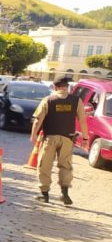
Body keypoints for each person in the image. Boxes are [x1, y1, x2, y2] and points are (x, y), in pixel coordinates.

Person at [30, 76, 89, 205]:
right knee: (65, 165)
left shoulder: (48, 100)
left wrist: (33, 135)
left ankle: (44, 194)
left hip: (50, 138)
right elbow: (83, 121)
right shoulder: (76, 101)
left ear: (55, 87)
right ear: (67, 87)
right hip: (68, 138)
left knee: (44, 165)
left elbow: (38, 119)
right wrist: (85, 138)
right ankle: (65, 193)